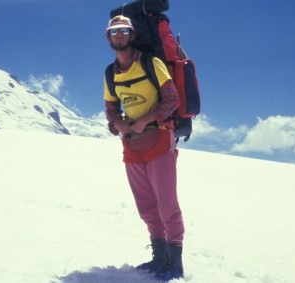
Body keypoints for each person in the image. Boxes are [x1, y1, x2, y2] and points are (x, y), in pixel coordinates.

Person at [103, 15, 185, 280]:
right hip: (133, 146)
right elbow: (111, 109)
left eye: (124, 31)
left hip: (160, 139)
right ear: (109, 37)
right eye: (114, 32)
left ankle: (176, 263)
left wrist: (145, 120)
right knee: (146, 206)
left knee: (166, 204)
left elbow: (172, 98)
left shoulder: (151, 63)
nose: (119, 36)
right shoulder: (109, 73)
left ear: (132, 35)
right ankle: (159, 256)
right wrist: (118, 124)